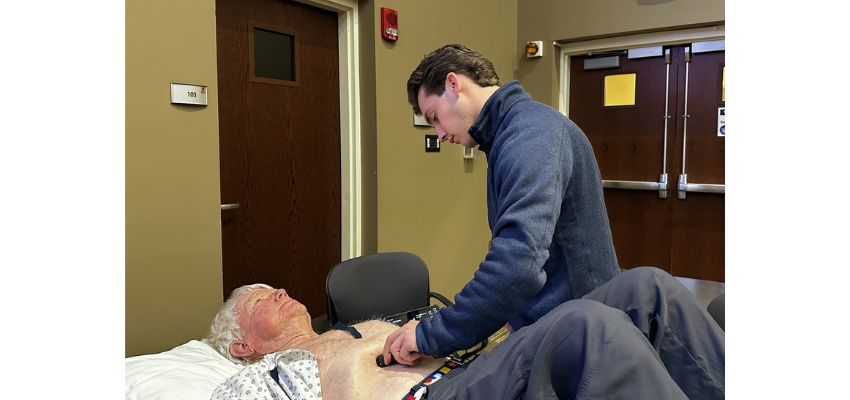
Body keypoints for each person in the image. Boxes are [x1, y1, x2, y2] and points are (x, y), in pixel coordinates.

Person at [383, 44, 620, 366]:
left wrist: (430, 334)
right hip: (561, 321)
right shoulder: (513, 133)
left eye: (435, 117)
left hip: (580, 337)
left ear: (454, 84)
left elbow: (518, 263)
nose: (438, 134)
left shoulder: (531, 134)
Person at [205, 267, 724, 399]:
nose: (277, 293)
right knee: (588, 328)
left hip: (472, 370)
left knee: (646, 289)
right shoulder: (257, 379)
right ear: (242, 345)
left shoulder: (347, 328)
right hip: (432, 395)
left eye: (273, 288)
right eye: (259, 300)